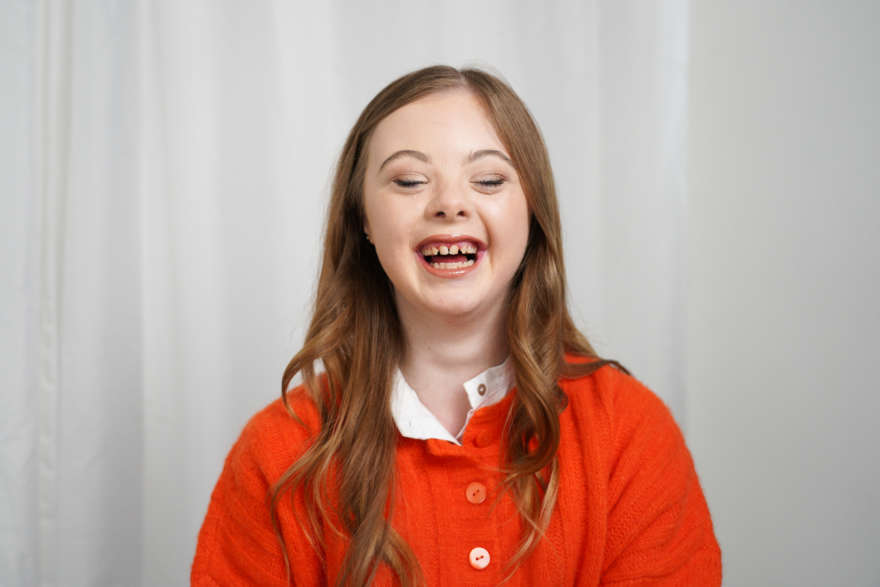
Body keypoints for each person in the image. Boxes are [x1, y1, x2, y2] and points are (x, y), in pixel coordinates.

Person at [191, 65, 721, 586]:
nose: (449, 205)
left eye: (489, 179)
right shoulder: (277, 452)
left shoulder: (628, 431)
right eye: (410, 180)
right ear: (363, 220)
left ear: (532, 213)